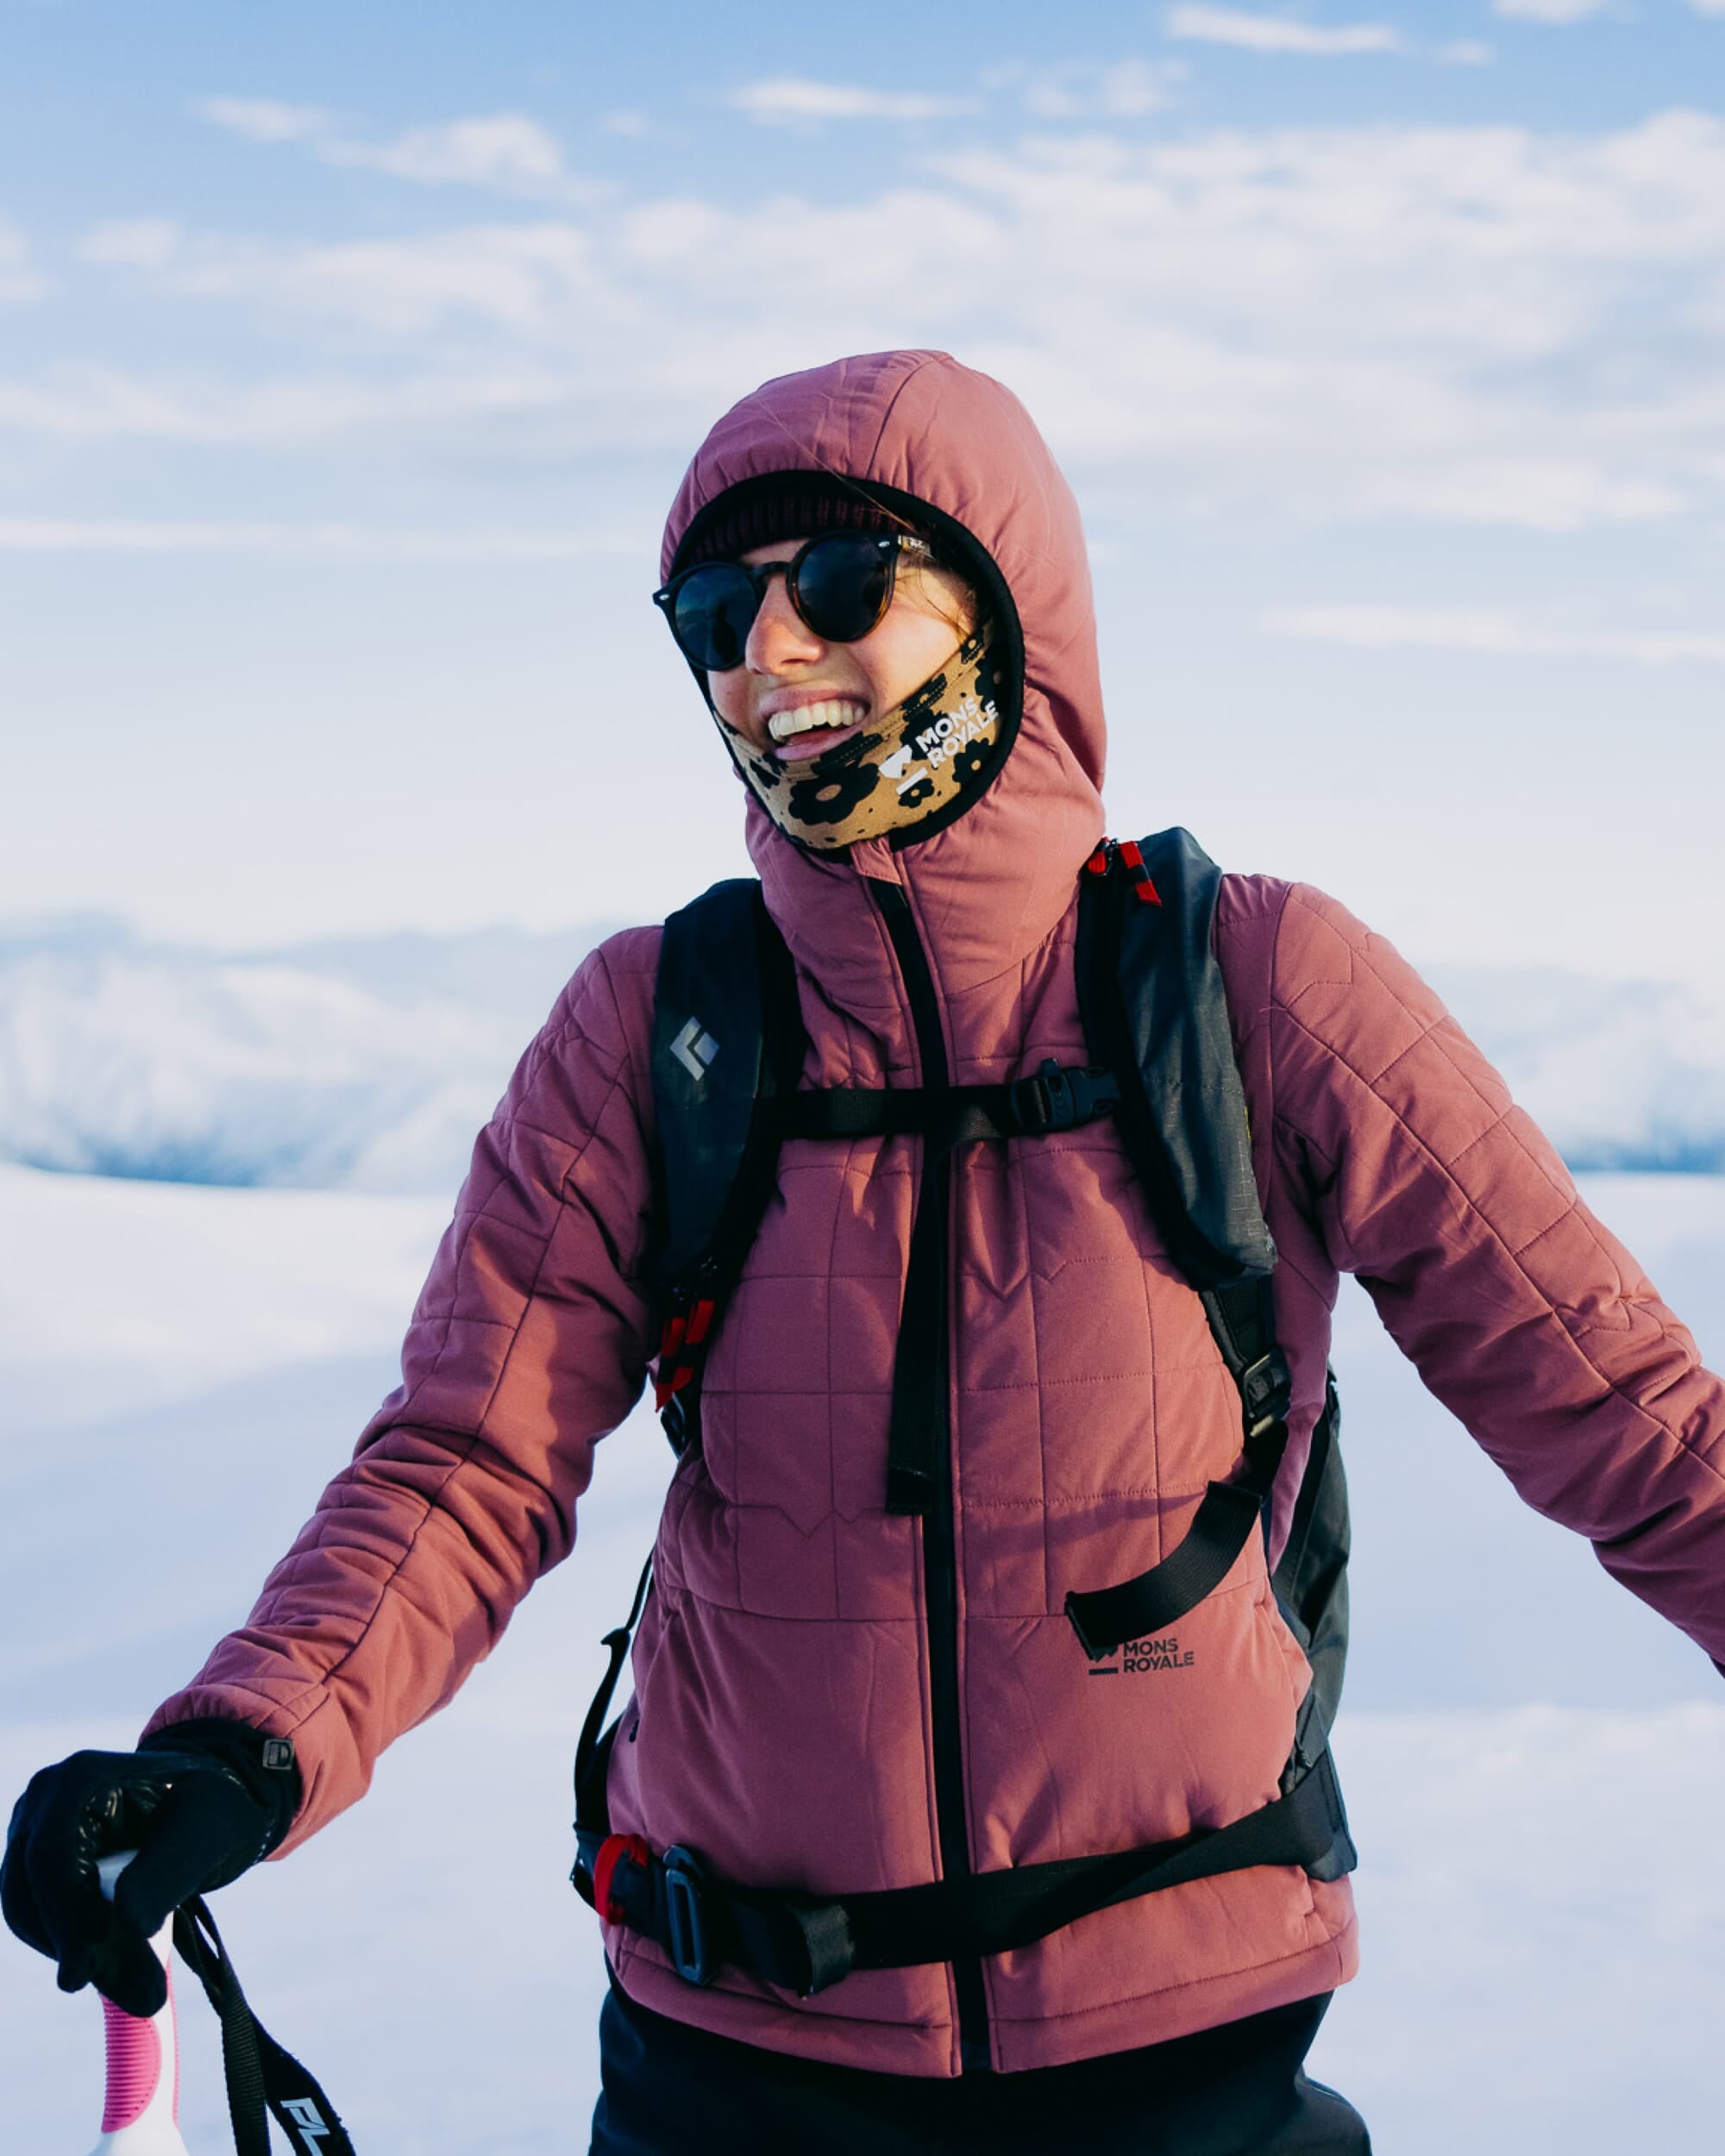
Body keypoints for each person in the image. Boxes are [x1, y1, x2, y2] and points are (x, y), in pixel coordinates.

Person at [7, 348, 1725, 2156]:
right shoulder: (652, 1028)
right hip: (736, 2048)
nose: (768, 652)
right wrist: (243, 1744)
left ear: (1003, 604)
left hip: (1181, 2041)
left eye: (837, 583)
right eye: (713, 614)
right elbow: (465, 1460)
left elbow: (1611, 1403)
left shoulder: (1254, 981)